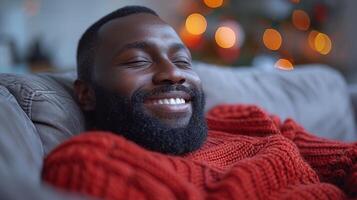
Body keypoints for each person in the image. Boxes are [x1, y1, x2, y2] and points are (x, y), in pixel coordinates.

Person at [42, 6, 357, 200]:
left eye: (182, 60)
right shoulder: (91, 163)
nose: (173, 73)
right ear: (85, 94)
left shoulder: (244, 119)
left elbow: (348, 161)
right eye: (138, 61)